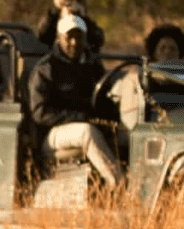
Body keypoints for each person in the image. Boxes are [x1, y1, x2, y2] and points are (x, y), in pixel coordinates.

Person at [26, 14, 123, 186]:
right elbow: (39, 114)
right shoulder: (45, 69)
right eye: (69, 37)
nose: (74, 42)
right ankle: (120, 185)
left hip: (89, 123)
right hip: (51, 134)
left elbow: (104, 96)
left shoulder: (92, 65)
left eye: (79, 37)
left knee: (128, 134)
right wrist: (78, 117)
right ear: (58, 38)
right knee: (87, 132)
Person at [34, 0, 105, 54]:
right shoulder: (54, 19)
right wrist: (56, 11)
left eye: (73, 2)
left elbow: (98, 40)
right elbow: (42, 37)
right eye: (67, 3)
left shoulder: (84, 22)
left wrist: (82, 16)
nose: (70, 6)